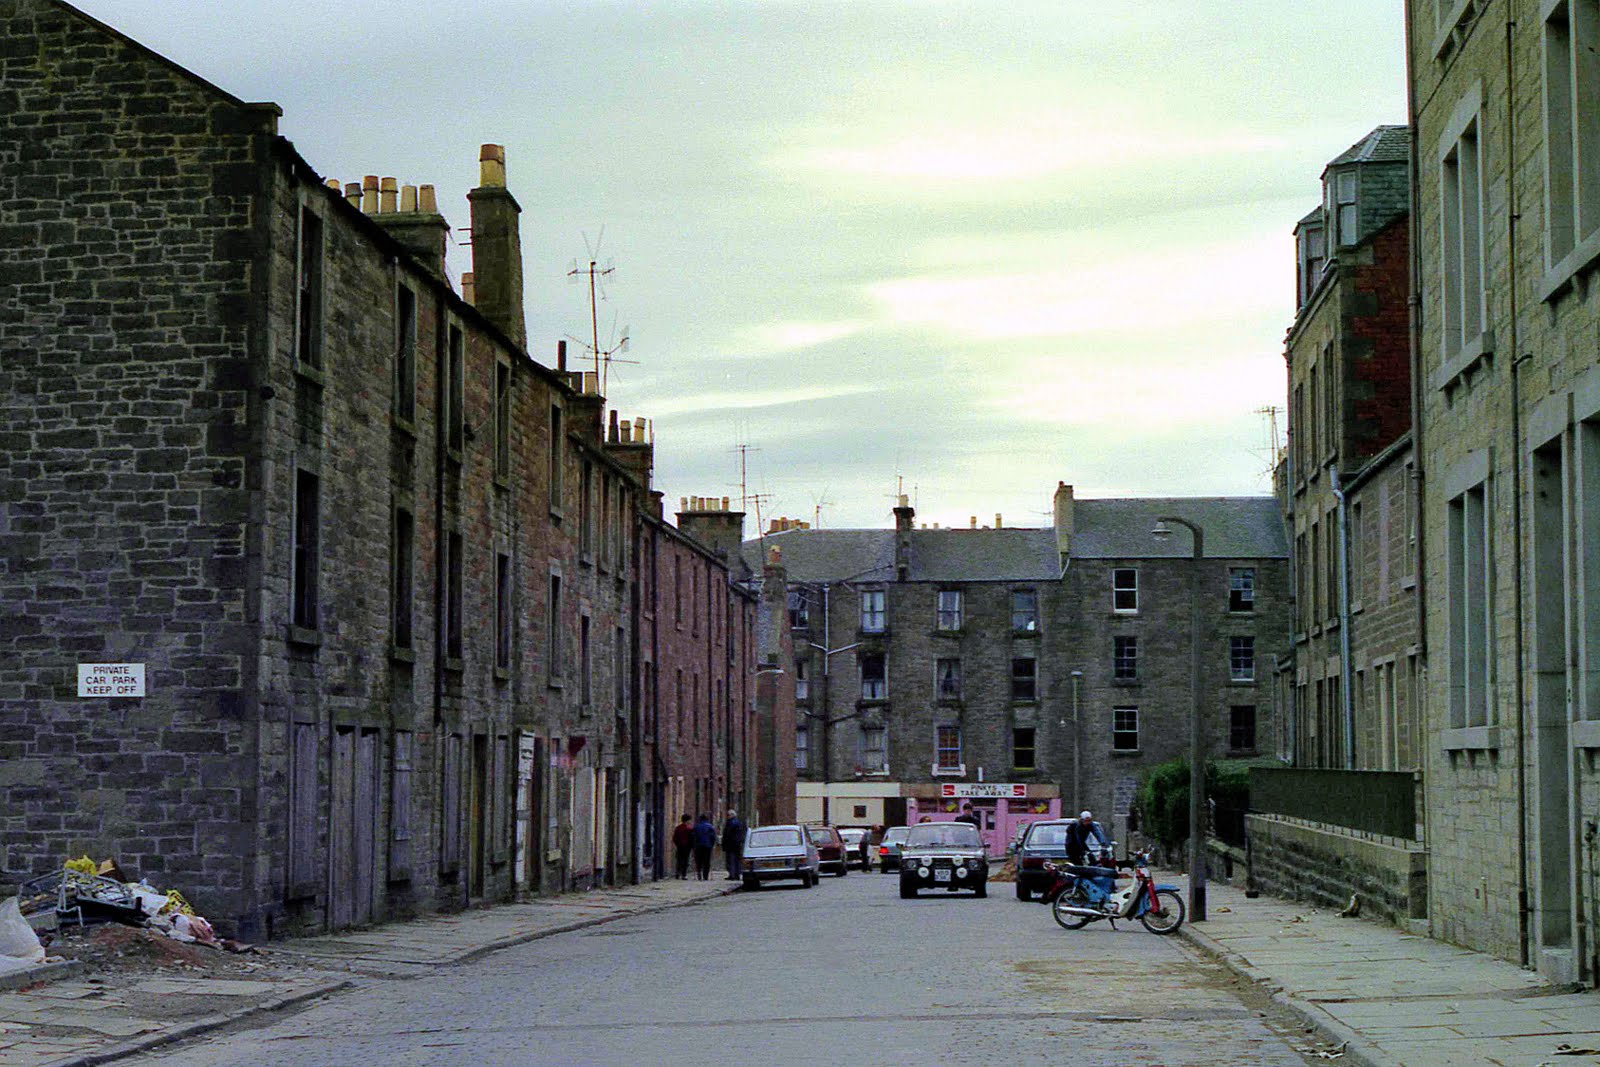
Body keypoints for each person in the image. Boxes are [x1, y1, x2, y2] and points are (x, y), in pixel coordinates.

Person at [721, 809, 747, 881]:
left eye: (728, 815)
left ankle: (732, 875)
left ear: (732, 815)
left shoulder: (730, 823)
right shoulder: (739, 823)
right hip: (738, 844)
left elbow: (727, 834)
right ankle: (737, 874)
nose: (727, 817)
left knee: (731, 860)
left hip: (731, 844)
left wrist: (724, 843)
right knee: (737, 860)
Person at [692, 813, 717, 880]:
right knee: (707, 861)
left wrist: (694, 845)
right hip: (707, 846)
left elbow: (693, 836)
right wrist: (712, 844)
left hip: (698, 846)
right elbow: (713, 837)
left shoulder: (696, 826)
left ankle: (699, 873)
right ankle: (705, 876)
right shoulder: (710, 827)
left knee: (698, 860)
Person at [672, 814, 693, 879]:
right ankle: (684, 874)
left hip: (679, 846)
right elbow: (691, 838)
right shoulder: (689, 829)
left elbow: (675, 838)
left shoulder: (678, 828)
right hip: (687, 847)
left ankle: (677, 873)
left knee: (679, 860)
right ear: (688, 820)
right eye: (690, 820)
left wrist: (677, 844)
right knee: (685, 861)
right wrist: (692, 845)